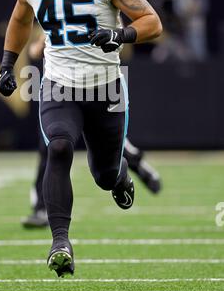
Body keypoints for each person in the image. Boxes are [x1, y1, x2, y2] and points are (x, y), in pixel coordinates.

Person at [0, 0, 162, 278]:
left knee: (104, 175)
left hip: (105, 88)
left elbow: (152, 22)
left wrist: (118, 34)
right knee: (57, 147)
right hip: (57, 83)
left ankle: (120, 173)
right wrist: (8, 62)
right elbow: (21, 17)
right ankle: (59, 241)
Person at [22, 34, 162, 229]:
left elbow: (127, 39)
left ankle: (133, 164)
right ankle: (42, 209)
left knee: (104, 147)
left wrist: (116, 37)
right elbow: (35, 49)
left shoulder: (99, 10)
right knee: (54, 147)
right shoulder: (55, 12)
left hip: (96, 86)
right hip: (61, 89)